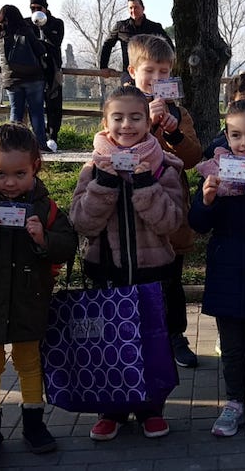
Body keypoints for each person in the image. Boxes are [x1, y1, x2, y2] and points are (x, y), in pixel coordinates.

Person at [0, 123, 78, 456]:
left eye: (19, 173)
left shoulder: (46, 207)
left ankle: (34, 425)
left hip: (29, 300)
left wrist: (43, 239)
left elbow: (68, 245)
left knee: (29, 362)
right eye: (0, 173)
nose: (10, 183)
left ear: (36, 165)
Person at [69, 85, 185, 442]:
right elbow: (82, 222)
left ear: (147, 123)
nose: (127, 125)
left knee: (152, 343)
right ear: (105, 122)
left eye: (136, 117)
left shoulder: (164, 167)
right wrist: (104, 184)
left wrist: (143, 183)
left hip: (153, 275)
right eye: (117, 117)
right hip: (107, 273)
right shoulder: (92, 168)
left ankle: (152, 408)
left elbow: (171, 222)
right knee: (109, 345)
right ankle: (111, 410)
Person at [189, 99, 245, 438]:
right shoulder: (216, 172)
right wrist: (207, 201)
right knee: (231, 347)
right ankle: (232, 403)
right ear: (226, 136)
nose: (244, 143)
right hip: (225, 271)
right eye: (236, 135)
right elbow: (197, 224)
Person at [126, 33, 203, 368]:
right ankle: (134, 336)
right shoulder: (122, 108)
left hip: (171, 208)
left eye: (164, 71)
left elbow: (192, 157)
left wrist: (171, 131)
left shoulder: (178, 112)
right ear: (132, 71)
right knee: (136, 278)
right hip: (133, 213)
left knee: (171, 279)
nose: (157, 78)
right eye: (150, 71)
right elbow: (115, 149)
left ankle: (175, 335)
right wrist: (145, 126)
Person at [0, 5, 51, 151]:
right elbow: (40, 50)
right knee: (36, 111)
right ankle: (40, 144)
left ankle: (14, 145)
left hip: (11, 79)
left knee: (16, 111)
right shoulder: (25, 31)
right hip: (33, 77)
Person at [100, 0, 175, 84]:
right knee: (129, 92)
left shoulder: (154, 27)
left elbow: (169, 46)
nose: (133, 10)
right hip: (129, 73)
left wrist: (170, 65)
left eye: (136, 7)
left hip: (150, 73)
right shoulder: (120, 27)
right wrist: (103, 66)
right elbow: (107, 45)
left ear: (143, 9)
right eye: (130, 8)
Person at [29, 0, 65, 150]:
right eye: (32, 7)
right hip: (34, 70)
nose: (35, 10)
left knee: (54, 104)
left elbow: (56, 42)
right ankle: (37, 136)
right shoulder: (27, 23)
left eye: (38, 7)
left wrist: (43, 27)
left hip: (52, 68)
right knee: (35, 104)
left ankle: (53, 136)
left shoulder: (57, 23)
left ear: (45, 7)